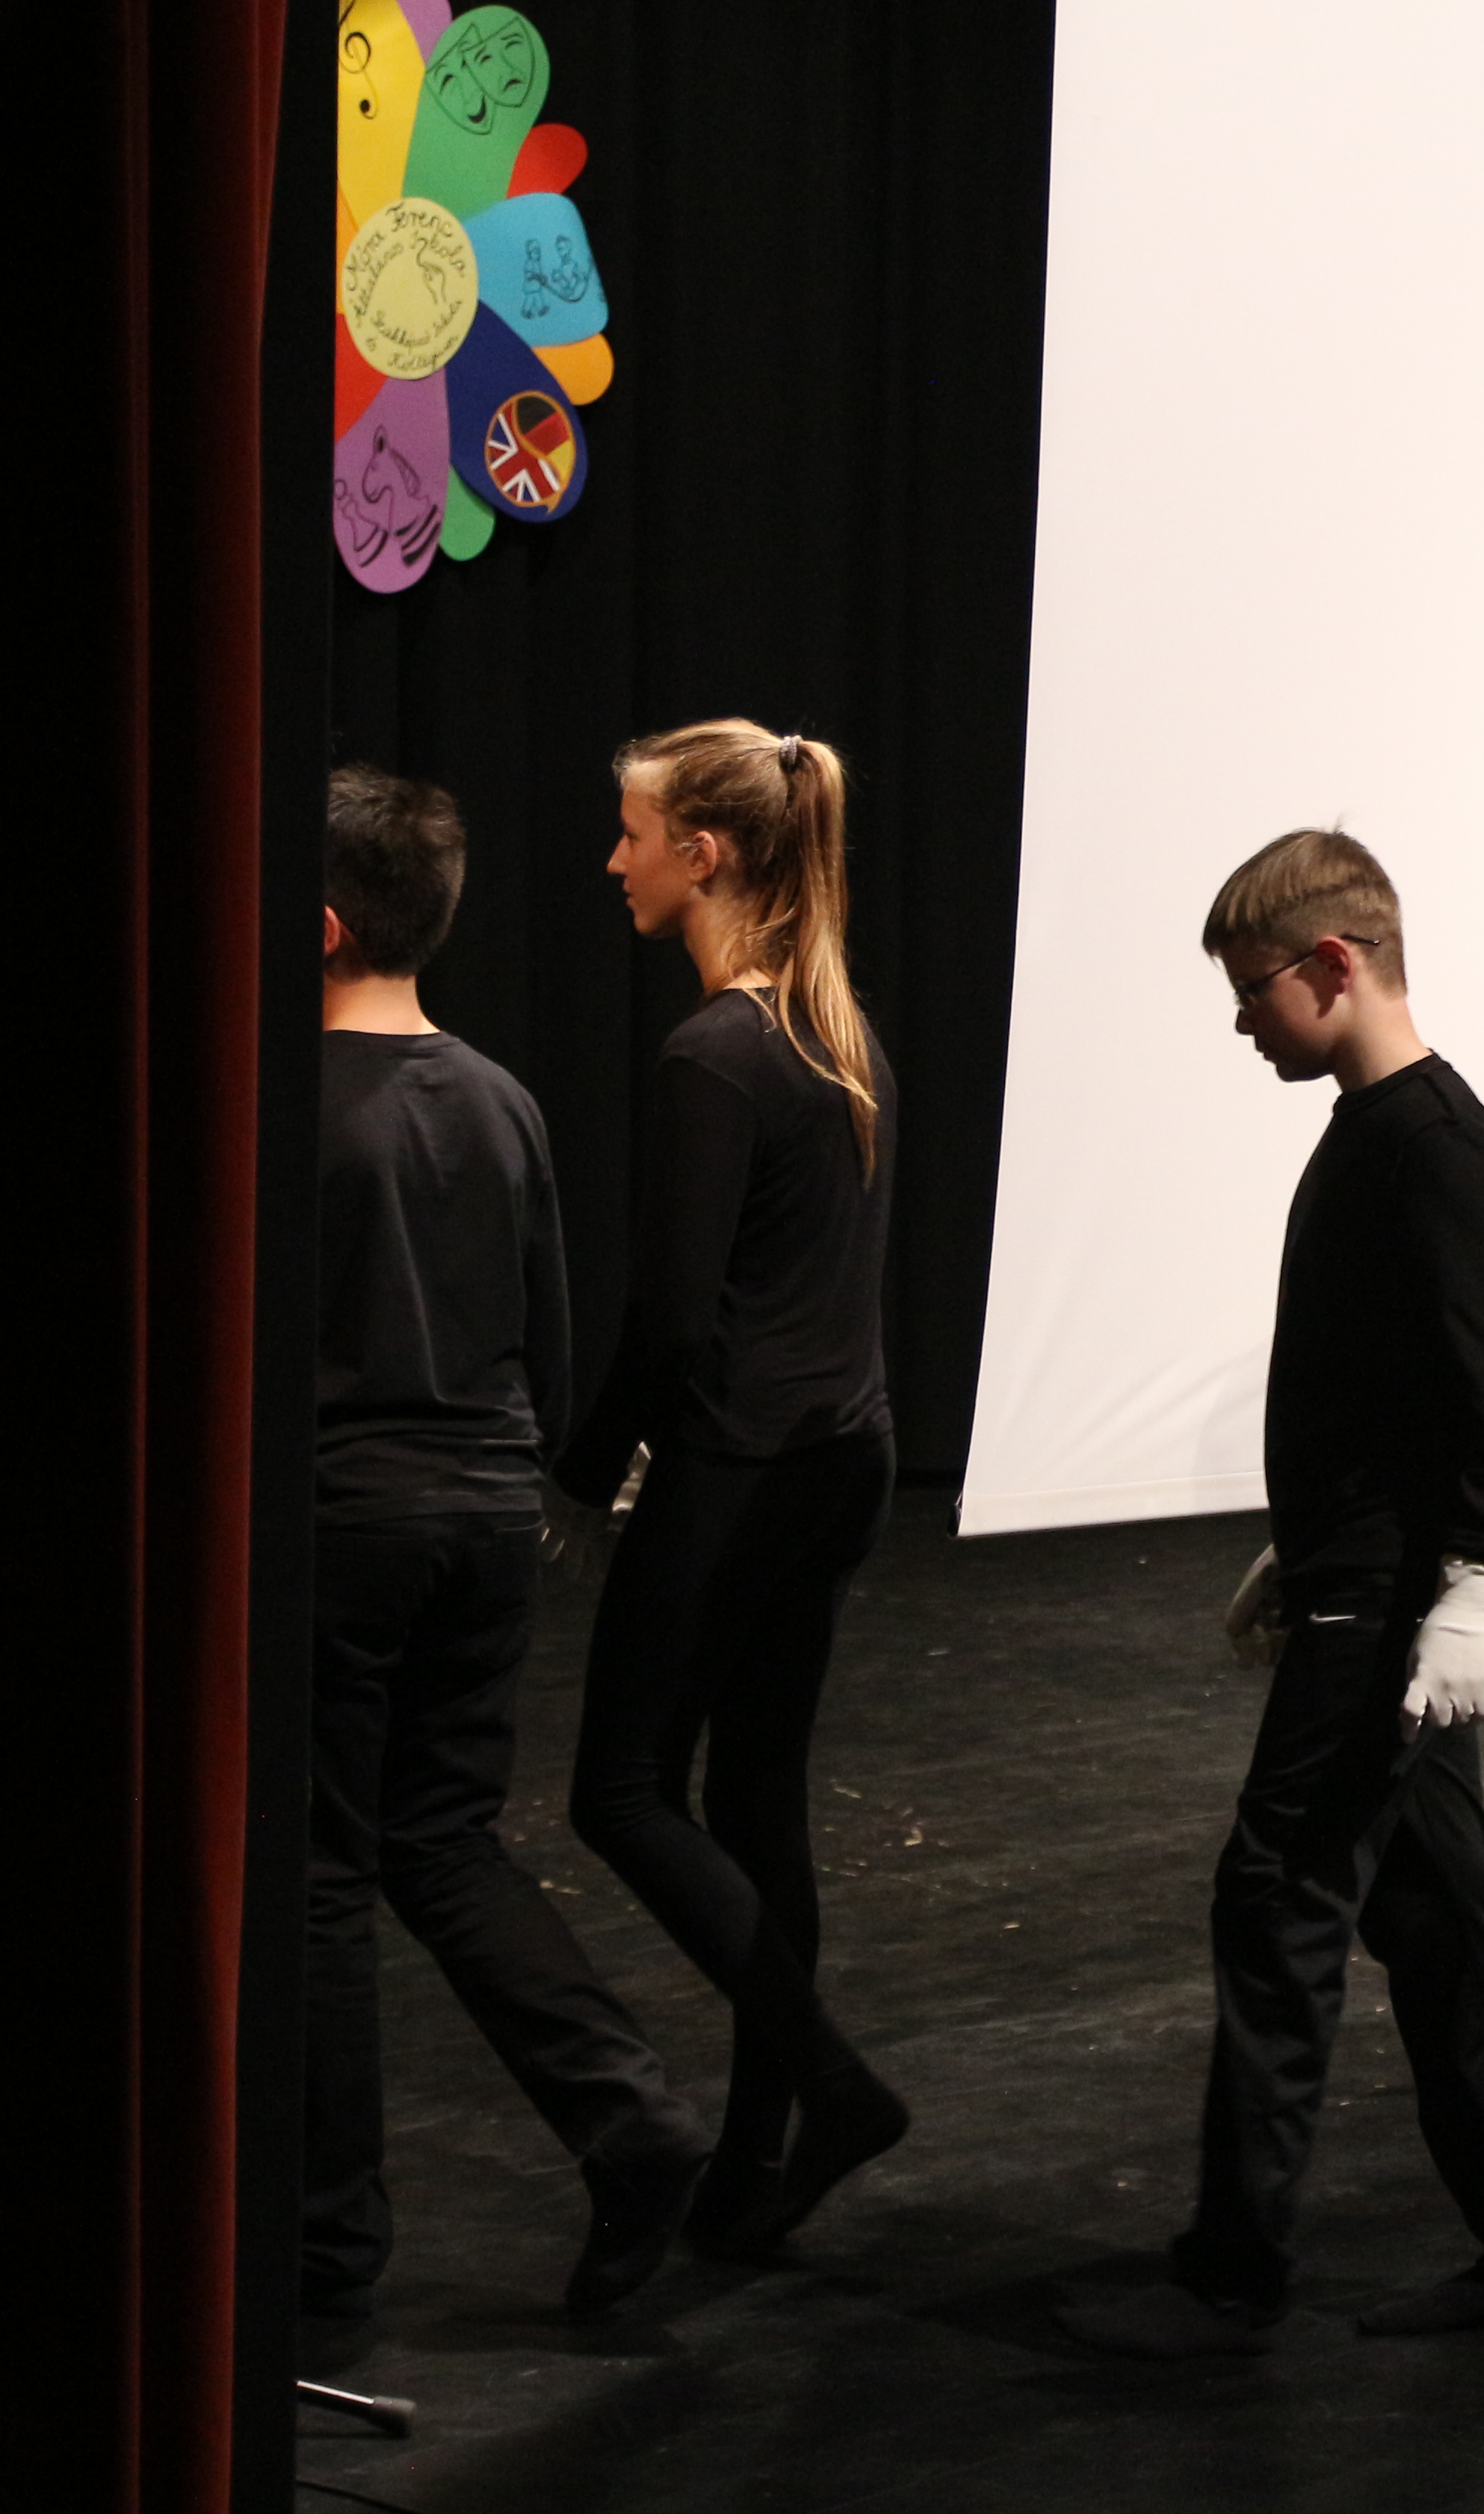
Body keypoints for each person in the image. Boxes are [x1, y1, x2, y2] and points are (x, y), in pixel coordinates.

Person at [1062, 830, 1484, 2356]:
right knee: (1431, 1918)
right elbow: (1386, 1387)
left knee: (1281, 1891)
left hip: (1389, 1610)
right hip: (1359, 1582)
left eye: (1254, 990)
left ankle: (1234, 2269)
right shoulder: (1377, 1132)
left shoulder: (1436, 1144)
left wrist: (1468, 1590)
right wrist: (1301, 1552)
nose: (1242, 1021)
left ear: (1334, 964)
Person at [303, 765, 706, 2346]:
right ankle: (630, 2118)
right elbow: (546, 1334)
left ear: (319, 926)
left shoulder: (287, 1103)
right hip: (483, 1513)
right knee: (444, 1842)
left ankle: (328, 2249)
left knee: (321, 1875)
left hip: (345, 1523)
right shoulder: (501, 1098)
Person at [557, 720, 906, 2261]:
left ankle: (828, 2088)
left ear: (701, 855)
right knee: (756, 1800)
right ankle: (761, 2155)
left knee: (622, 1791)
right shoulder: (837, 1037)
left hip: (745, 1473)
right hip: (839, 1462)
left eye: (633, 836)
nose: (615, 861)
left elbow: (674, 1322)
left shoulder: (715, 1053)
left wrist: (581, 1474)